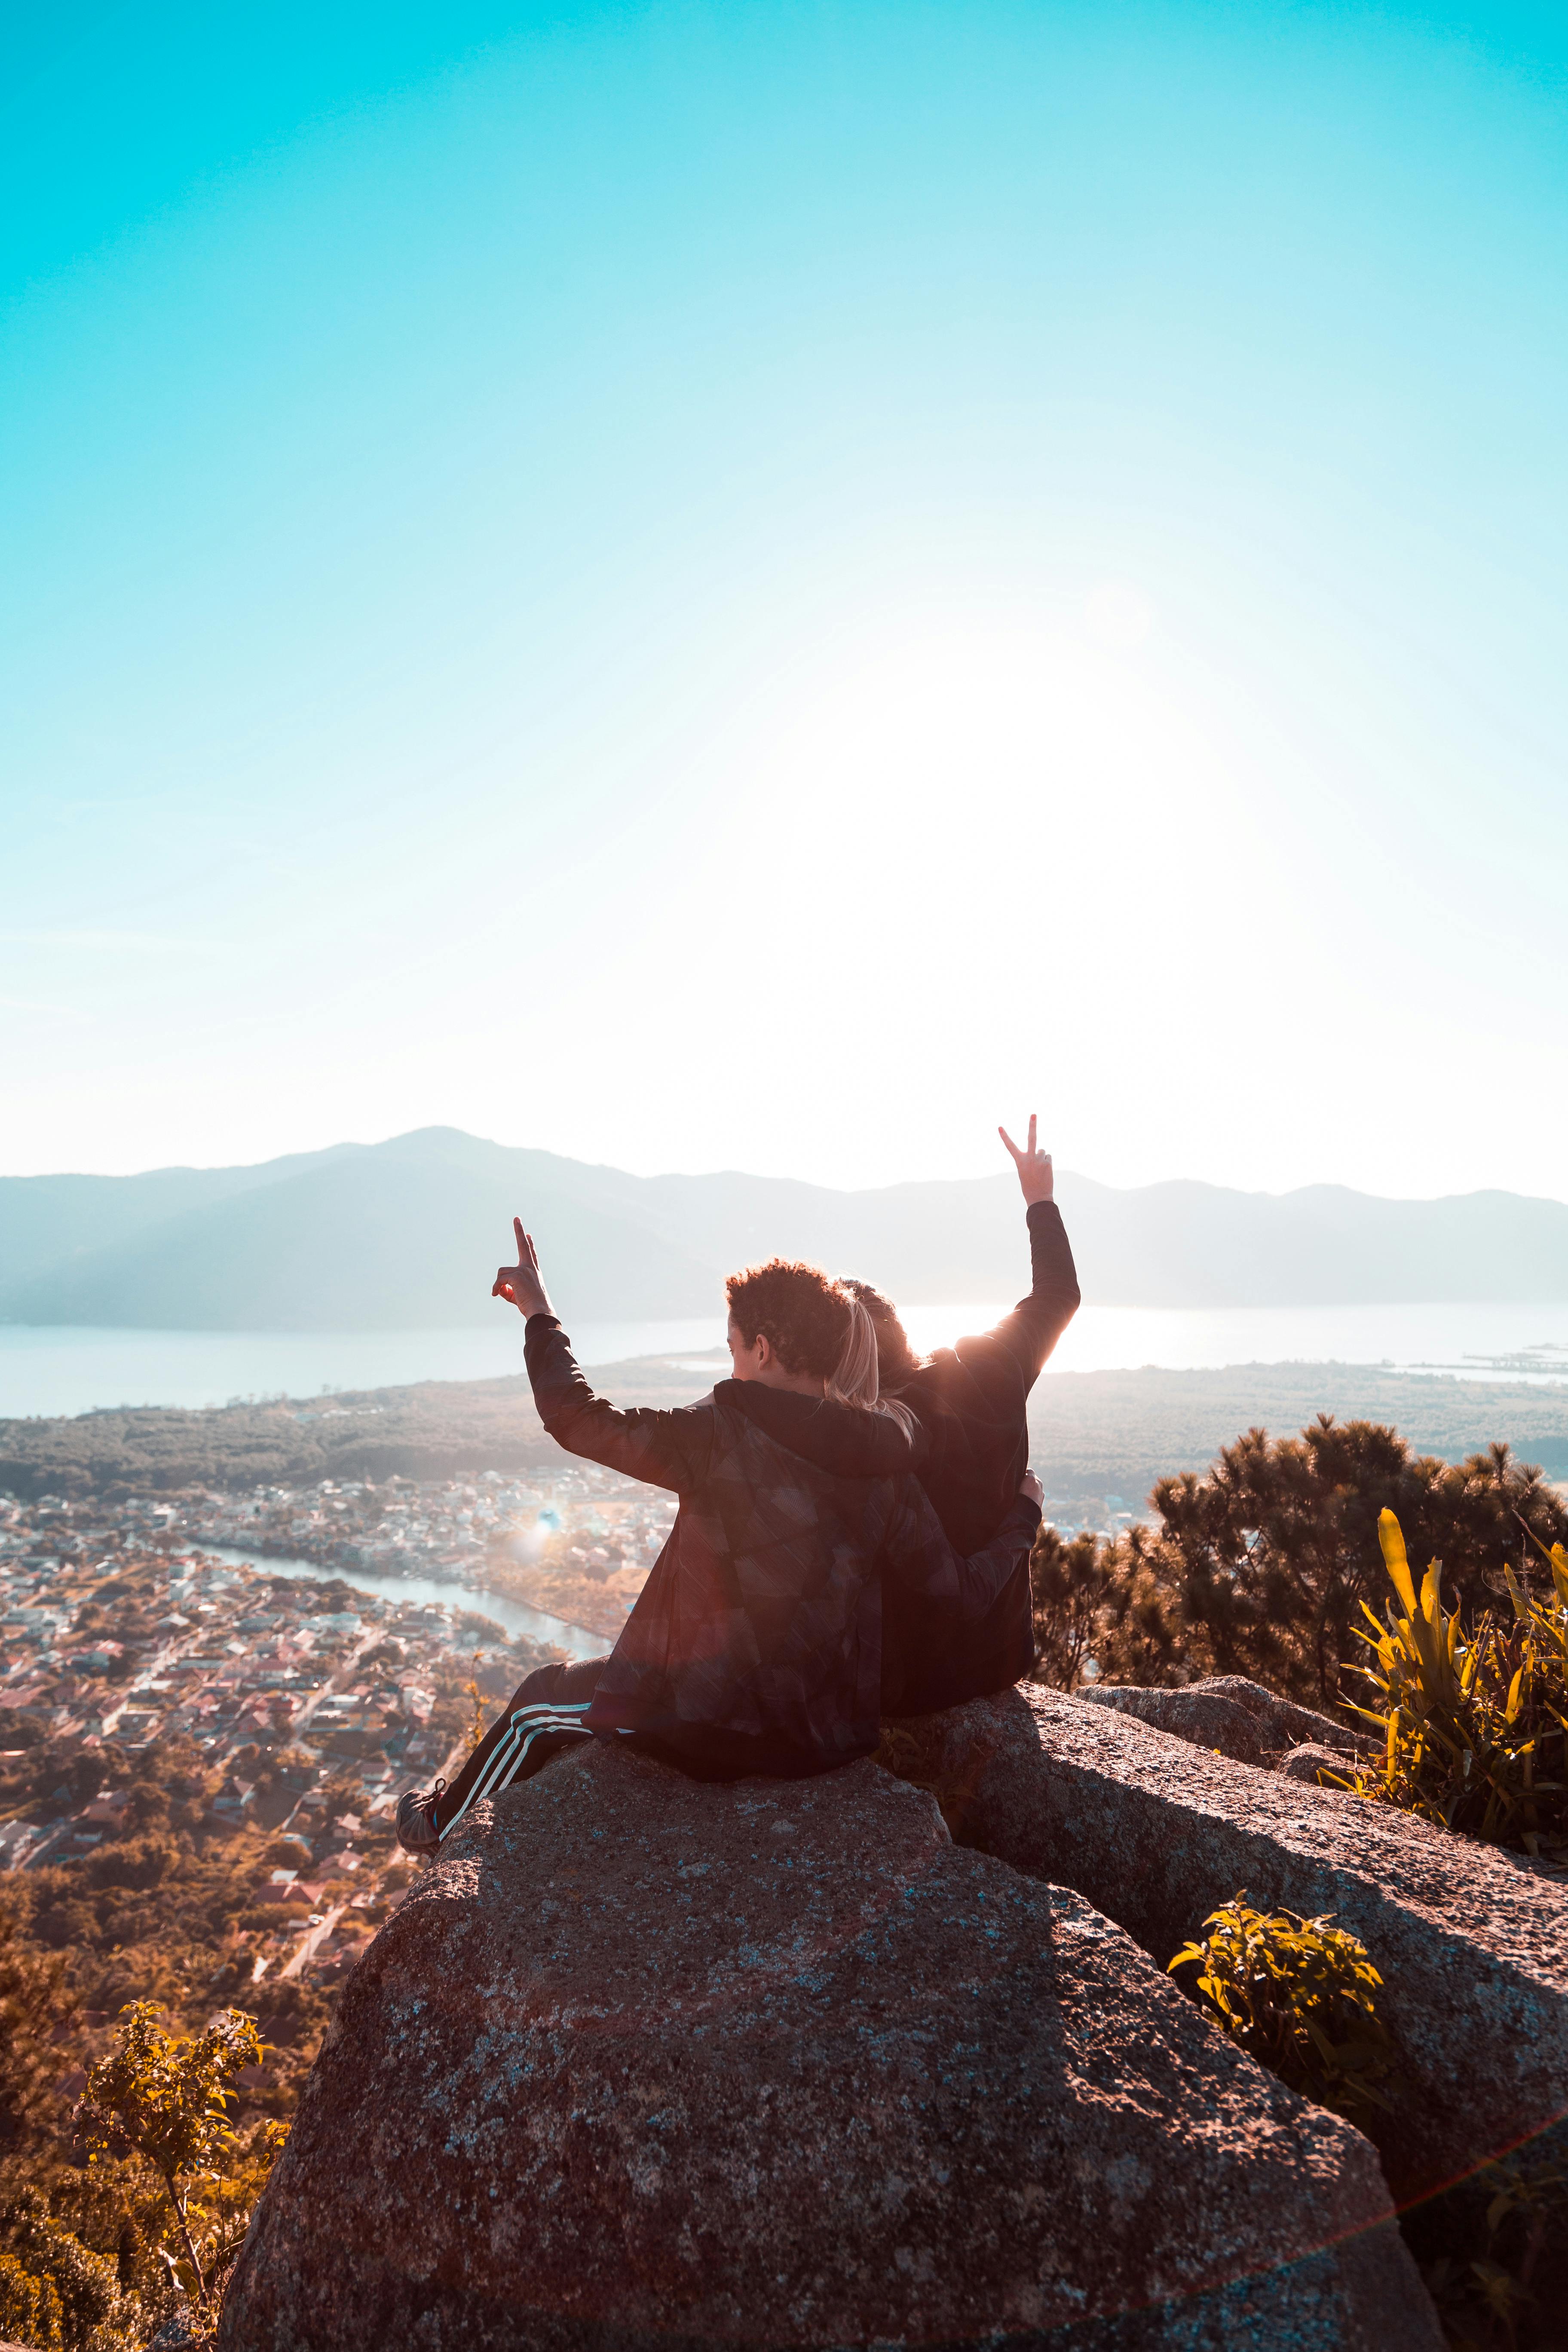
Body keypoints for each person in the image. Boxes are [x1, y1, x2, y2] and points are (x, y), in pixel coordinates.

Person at [397, 1224, 1041, 1853]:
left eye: (732, 1346)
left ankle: (435, 1828)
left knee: (541, 1698)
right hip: (827, 1739)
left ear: (762, 1349)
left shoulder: (720, 1437)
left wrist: (540, 1312)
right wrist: (1023, 1518)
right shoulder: (887, 1461)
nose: (729, 1364)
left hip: (706, 1725)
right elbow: (960, 1593)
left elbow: (575, 1418)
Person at [846, 1115, 1080, 1716]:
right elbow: (1059, 1295)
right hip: (1002, 1658)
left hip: (907, 1683)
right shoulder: (989, 1364)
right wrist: (1039, 1200)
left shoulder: (868, 1440)